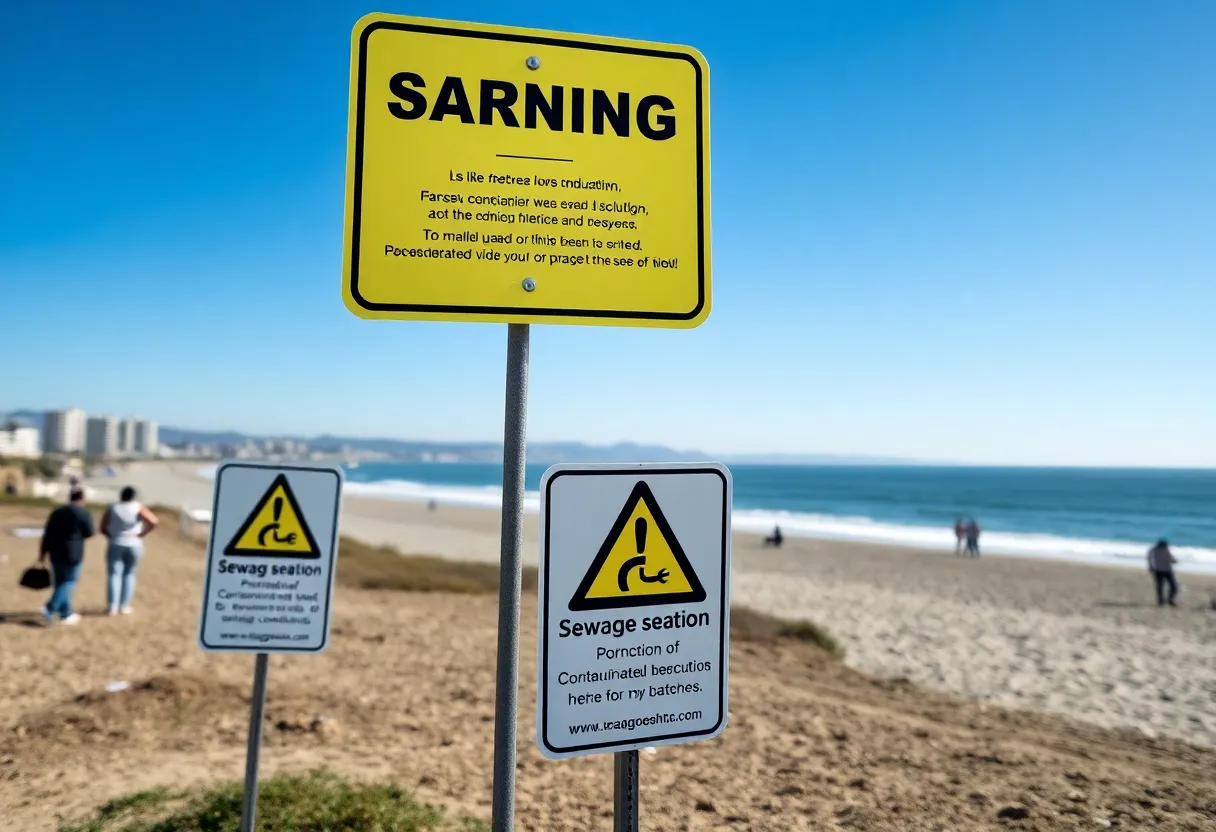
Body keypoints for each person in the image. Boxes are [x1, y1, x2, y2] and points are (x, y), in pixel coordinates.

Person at [38, 488, 95, 625]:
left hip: (55, 551)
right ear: (82, 499)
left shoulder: (57, 512)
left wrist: (43, 552)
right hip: (73, 552)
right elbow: (90, 532)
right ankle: (50, 607)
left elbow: (47, 533)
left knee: (59, 582)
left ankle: (65, 613)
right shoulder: (83, 513)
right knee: (69, 581)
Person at [99, 486, 159, 615]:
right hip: (134, 542)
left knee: (114, 574)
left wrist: (111, 535)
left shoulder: (113, 507)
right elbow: (153, 521)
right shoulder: (137, 507)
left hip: (116, 541)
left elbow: (103, 527)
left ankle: (112, 606)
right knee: (129, 573)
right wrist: (142, 533)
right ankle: (124, 605)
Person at [1147, 539, 1178, 607]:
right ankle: (1169, 600)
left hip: (1159, 570)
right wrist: (1174, 561)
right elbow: (1171, 559)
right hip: (1166, 570)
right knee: (1173, 586)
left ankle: (1162, 601)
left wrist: (1150, 566)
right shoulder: (1165, 550)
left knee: (1160, 587)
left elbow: (1149, 558)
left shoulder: (1154, 550)